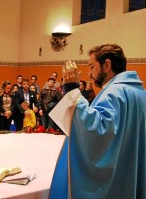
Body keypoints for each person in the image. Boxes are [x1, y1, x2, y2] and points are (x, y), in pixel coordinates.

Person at [49, 44, 146, 199]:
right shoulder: (140, 92)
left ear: (106, 65)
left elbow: (96, 132)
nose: (89, 74)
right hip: (130, 172)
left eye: (92, 67)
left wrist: (72, 91)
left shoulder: (114, 93)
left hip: (114, 185)